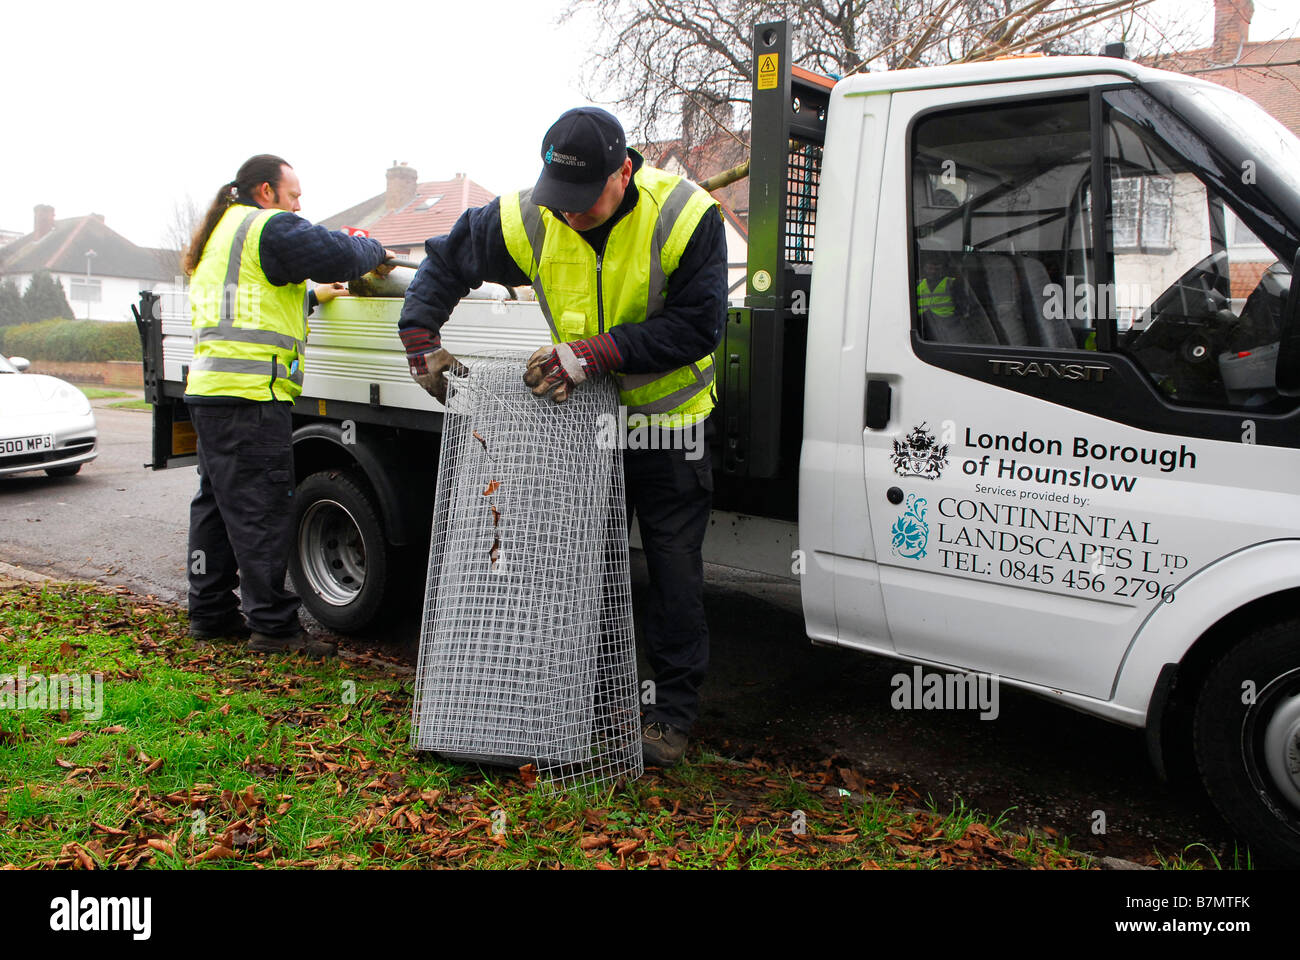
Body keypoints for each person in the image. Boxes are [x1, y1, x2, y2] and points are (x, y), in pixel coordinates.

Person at [399, 107, 727, 767]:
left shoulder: (686, 216)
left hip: (668, 429)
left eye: (584, 201)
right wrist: (420, 339)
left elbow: (698, 325)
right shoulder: (530, 217)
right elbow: (446, 259)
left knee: (672, 576)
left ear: (624, 172)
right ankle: (593, 696)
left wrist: (592, 354)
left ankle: (668, 716)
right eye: (561, 201)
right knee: (584, 569)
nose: (569, 215)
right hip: (584, 433)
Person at [182, 154, 392, 657]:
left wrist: (313, 297)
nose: (299, 205)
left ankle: (209, 613)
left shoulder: (221, 235)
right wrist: (373, 247)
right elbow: (337, 253)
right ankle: (274, 629)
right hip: (252, 398)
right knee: (261, 512)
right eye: (293, 195)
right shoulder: (266, 227)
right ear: (265, 192)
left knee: (216, 505)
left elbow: (252, 303)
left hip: (213, 393)